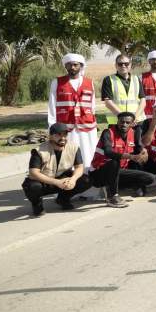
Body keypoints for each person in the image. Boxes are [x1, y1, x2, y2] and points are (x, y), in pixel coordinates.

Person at [48, 53, 99, 201]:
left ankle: (89, 190)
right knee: (68, 159)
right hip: (67, 129)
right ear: (65, 66)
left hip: (87, 127)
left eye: (76, 64)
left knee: (88, 156)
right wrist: (53, 128)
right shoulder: (57, 83)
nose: (73, 67)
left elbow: (93, 106)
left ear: (81, 66)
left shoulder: (89, 83)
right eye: (70, 64)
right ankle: (68, 190)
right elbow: (52, 106)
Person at [22, 122, 92, 216]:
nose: (62, 138)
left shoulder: (74, 147)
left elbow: (79, 167)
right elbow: (33, 173)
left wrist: (73, 180)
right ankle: (37, 204)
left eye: (65, 134)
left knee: (86, 180)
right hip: (44, 181)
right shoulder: (39, 151)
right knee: (33, 187)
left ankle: (63, 199)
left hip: (63, 179)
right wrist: (57, 182)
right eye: (58, 135)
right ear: (50, 136)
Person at [89, 112, 155, 207]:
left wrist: (143, 152)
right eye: (121, 122)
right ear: (117, 122)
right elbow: (108, 153)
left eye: (127, 123)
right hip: (99, 173)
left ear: (132, 124)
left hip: (118, 172)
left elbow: (139, 149)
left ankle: (117, 187)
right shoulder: (108, 132)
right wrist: (130, 156)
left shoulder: (135, 133)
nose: (124, 124)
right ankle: (113, 196)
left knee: (149, 178)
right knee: (114, 161)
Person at [101, 54, 144, 126]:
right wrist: (124, 119)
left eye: (126, 64)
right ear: (116, 65)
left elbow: (143, 100)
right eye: (120, 64)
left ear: (130, 65)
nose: (123, 66)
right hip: (117, 122)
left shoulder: (136, 79)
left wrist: (134, 118)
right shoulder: (108, 80)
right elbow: (108, 102)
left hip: (136, 122)